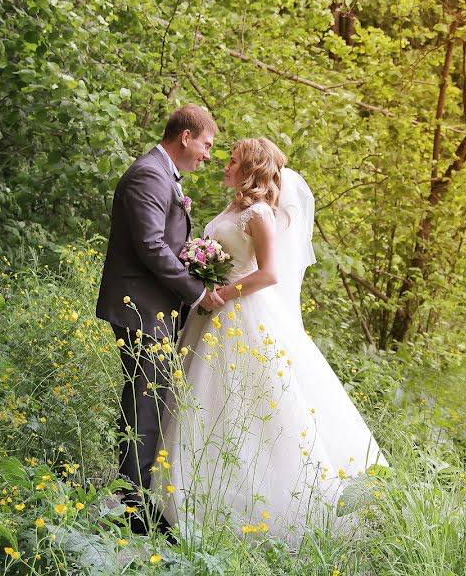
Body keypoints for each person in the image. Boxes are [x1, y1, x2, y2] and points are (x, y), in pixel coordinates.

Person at [154, 138, 385, 546]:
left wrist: (221, 294)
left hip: (240, 313)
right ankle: (181, 497)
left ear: (252, 169)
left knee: (247, 403)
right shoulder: (233, 208)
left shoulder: (259, 214)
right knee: (202, 401)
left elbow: (269, 274)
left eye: (235, 161)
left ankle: (264, 506)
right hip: (210, 312)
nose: (225, 165)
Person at [96, 104, 225, 534]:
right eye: (207, 144)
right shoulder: (150, 174)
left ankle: (136, 495)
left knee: (148, 396)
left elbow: (164, 241)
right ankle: (134, 508)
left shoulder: (164, 174)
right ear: (186, 137)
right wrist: (199, 292)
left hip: (151, 305)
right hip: (140, 306)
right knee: (146, 398)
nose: (209, 154)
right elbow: (152, 246)